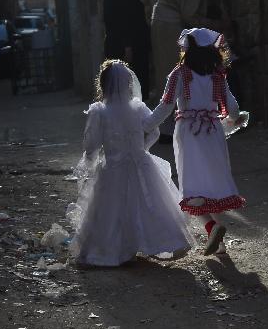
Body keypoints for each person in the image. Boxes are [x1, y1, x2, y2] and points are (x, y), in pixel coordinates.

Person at [67, 59, 194, 267]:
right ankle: (155, 242)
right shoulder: (138, 107)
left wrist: (90, 161)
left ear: (103, 84)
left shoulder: (99, 111)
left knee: (112, 210)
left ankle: (116, 250)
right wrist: (142, 150)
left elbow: (91, 145)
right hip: (140, 163)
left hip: (113, 168)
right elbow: (153, 130)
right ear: (128, 84)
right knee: (147, 205)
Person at [145, 28, 248, 256]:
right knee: (213, 186)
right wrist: (234, 119)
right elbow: (232, 108)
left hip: (188, 134)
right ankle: (219, 241)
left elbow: (165, 106)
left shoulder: (179, 74)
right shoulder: (217, 76)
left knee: (193, 191)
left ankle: (212, 228)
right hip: (212, 132)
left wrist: (144, 125)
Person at [150, 0, 239, 134]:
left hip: (168, 21)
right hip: (168, 23)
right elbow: (190, 15)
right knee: (172, 70)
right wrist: (218, 26)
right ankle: (167, 127)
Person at [103, 0, 151, 100]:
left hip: (134, 47)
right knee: (126, 89)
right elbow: (117, 24)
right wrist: (127, 47)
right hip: (124, 49)